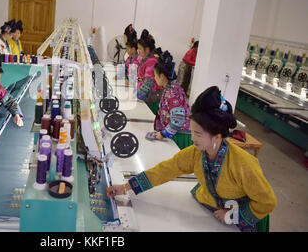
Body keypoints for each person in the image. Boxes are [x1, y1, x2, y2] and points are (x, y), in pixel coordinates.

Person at [107, 86, 277, 232]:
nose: (192, 138)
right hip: (212, 211)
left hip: (242, 216)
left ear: (217, 137)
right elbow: (164, 170)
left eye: (197, 133)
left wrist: (232, 216)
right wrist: (126, 187)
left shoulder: (243, 164)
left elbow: (267, 202)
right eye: (192, 131)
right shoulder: (195, 153)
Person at [152, 50, 192, 150]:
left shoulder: (172, 93)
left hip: (179, 135)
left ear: (161, 76)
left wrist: (163, 134)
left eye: (155, 75)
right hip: (174, 132)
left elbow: (178, 120)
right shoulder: (170, 87)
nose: (154, 78)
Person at [136, 29, 162, 114]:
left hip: (150, 97)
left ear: (147, 49)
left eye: (140, 49)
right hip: (145, 94)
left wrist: (137, 96)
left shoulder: (152, 61)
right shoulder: (146, 59)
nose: (138, 51)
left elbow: (148, 83)